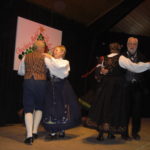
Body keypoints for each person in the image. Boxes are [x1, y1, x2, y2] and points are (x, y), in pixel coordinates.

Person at [88, 42, 150, 141]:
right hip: (116, 87)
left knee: (104, 107)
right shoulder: (121, 58)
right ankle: (110, 132)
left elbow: (98, 71)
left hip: (105, 86)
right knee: (114, 108)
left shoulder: (104, 57)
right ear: (119, 48)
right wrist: (148, 65)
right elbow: (134, 67)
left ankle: (101, 133)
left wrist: (102, 71)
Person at [42, 45, 81, 139]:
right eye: (54, 50)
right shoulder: (50, 60)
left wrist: (49, 57)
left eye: (57, 50)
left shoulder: (65, 62)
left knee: (62, 105)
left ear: (62, 52)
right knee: (51, 106)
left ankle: (62, 129)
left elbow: (58, 66)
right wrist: (45, 55)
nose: (54, 51)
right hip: (51, 86)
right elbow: (49, 65)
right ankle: (52, 130)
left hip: (62, 86)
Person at [18, 40, 47, 145]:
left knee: (28, 108)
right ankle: (35, 131)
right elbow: (52, 69)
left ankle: (29, 136)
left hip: (28, 82)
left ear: (34, 47)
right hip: (41, 83)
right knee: (39, 107)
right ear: (42, 48)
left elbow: (20, 72)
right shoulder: (46, 57)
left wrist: (29, 72)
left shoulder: (26, 56)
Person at [122, 37, 147, 140]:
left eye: (134, 44)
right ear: (127, 45)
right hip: (125, 87)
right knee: (125, 111)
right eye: (130, 44)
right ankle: (124, 133)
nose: (132, 46)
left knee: (137, 111)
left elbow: (146, 75)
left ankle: (135, 132)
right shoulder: (121, 56)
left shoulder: (142, 57)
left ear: (137, 45)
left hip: (137, 88)